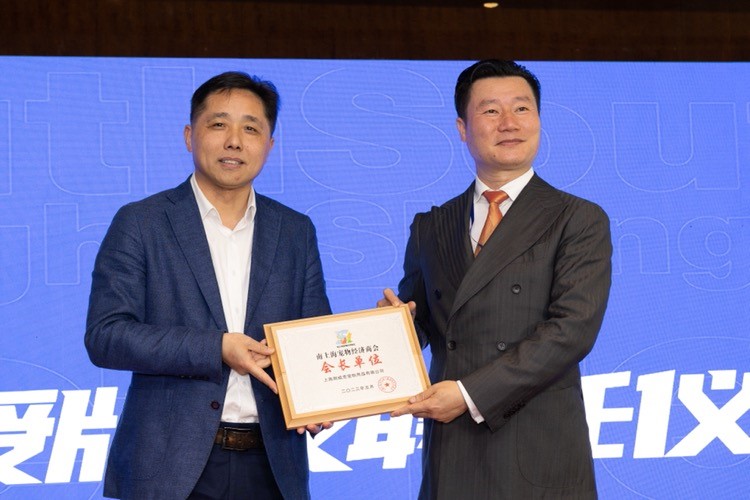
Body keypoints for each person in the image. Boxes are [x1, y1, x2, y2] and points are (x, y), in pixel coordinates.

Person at [85, 71, 331, 500]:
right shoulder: (142, 223)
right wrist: (216, 348)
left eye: (251, 129)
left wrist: (336, 379)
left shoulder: (295, 231)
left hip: (273, 468)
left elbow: (312, 336)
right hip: (169, 469)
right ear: (189, 136)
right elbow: (106, 336)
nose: (234, 141)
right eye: (219, 124)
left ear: (269, 145)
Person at [378, 60, 612, 499]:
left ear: (538, 119)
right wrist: (395, 327)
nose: (509, 123)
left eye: (522, 109)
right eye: (490, 111)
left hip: (537, 445)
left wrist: (469, 394)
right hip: (453, 448)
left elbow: (572, 330)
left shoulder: (577, 218)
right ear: (462, 129)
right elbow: (424, 318)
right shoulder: (433, 224)